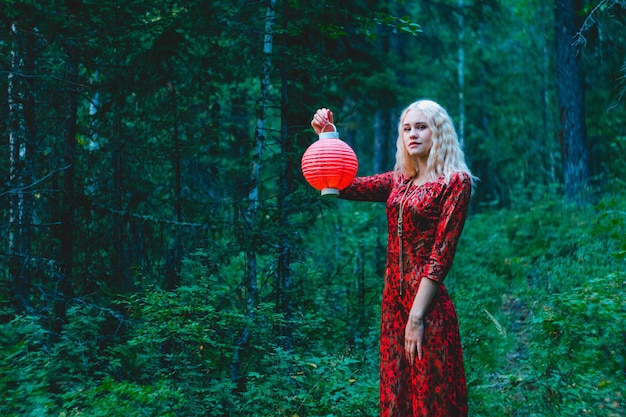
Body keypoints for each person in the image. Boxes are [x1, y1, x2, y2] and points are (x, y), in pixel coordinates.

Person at [311, 99, 474, 417]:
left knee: (432, 398)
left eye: (421, 127)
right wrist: (326, 137)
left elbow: (441, 255)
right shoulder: (399, 180)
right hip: (392, 307)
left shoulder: (455, 182)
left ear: (438, 132)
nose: (412, 134)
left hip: (426, 308)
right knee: (396, 395)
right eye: (407, 128)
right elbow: (343, 186)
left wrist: (417, 318)